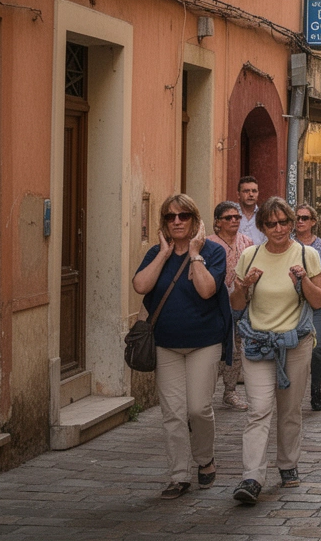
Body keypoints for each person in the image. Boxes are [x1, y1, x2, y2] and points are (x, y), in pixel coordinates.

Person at [132, 195, 231, 500]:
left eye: (183, 216)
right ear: (164, 222)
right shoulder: (155, 253)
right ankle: (178, 475)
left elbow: (206, 290)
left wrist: (196, 254)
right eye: (170, 217)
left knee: (198, 408)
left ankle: (205, 459)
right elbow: (140, 286)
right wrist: (163, 255)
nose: (177, 221)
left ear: (194, 220)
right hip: (166, 345)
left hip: (204, 342)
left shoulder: (213, 251)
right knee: (173, 413)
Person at [229, 197, 321, 505]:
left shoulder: (307, 254)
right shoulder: (249, 255)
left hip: (294, 344)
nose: (279, 228)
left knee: (289, 409)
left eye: (285, 222)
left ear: (292, 223)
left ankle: (287, 464)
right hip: (257, 344)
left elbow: (319, 301)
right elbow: (236, 305)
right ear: (262, 227)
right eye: (271, 223)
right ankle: (252, 476)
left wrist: (302, 280)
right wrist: (245, 285)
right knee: (258, 410)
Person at [294, 203, 321, 411]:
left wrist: (314, 282)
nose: (300, 221)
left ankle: (316, 388)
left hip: (317, 303)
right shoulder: (287, 244)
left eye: (304, 218)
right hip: (293, 303)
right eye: (297, 218)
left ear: (313, 222)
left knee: (318, 348)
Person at [210, 201, 252, 411]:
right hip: (214, 304)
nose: (234, 220)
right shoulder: (209, 244)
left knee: (236, 348)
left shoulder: (247, 242)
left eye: (237, 217)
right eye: (229, 218)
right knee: (213, 349)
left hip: (239, 301)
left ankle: (230, 391)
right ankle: (204, 393)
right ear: (218, 222)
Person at [238, 176, 266, 245]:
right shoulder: (231, 217)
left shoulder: (264, 216)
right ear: (238, 194)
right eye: (246, 191)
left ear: (258, 194)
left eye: (254, 191)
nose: (251, 194)